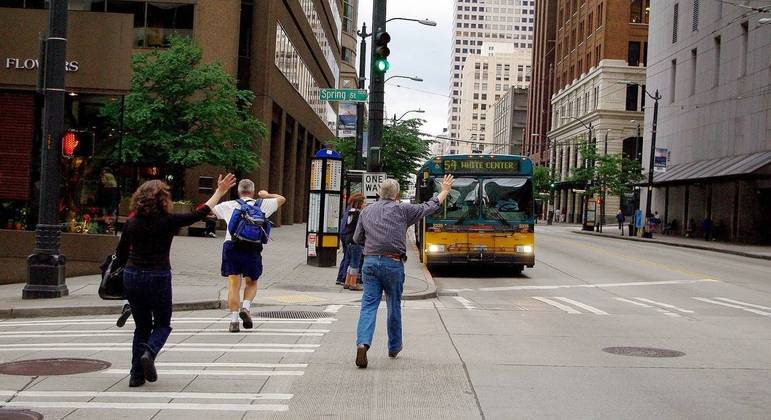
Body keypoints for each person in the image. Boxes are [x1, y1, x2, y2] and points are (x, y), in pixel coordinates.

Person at [115, 173, 236, 387]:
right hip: (158, 276)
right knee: (162, 324)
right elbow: (199, 213)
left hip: (133, 276)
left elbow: (121, 254)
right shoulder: (169, 221)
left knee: (141, 327)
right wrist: (219, 191)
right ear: (164, 200)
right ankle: (150, 352)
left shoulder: (131, 223)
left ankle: (136, 375)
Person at [353, 175, 455, 368]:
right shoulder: (403, 210)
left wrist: (372, 244)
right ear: (397, 194)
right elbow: (429, 206)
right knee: (394, 304)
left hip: (370, 262)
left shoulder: (366, 211)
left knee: (368, 305)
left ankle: (362, 343)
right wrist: (444, 191)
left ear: (379, 192)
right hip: (393, 262)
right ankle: (394, 346)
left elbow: (357, 238)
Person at [212, 180, 286, 333]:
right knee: (251, 282)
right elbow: (282, 199)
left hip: (231, 245)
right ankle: (245, 307)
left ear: (239, 191)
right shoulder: (262, 205)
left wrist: (219, 191)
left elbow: (209, 209)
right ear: (252, 191)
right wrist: (266, 195)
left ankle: (233, 321)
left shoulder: (229, 205)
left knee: (233, 284)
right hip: (252, 247)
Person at [342, 193, 365, 291]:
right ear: (359, 203)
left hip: (348, 239)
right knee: (356, 262)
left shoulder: (350, 212)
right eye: (363, 203)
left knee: (351, 261)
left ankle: (347, 281)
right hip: (355, 240)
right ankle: (353, 283)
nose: (364, 204)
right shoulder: (358, 214)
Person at [335, 199, 353, 286]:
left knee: (346, 257)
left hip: (344, 235)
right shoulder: (353, 212)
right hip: (348, 237)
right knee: (348, 258)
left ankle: (340, 278)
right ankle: (344, 278)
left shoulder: (348, 210)